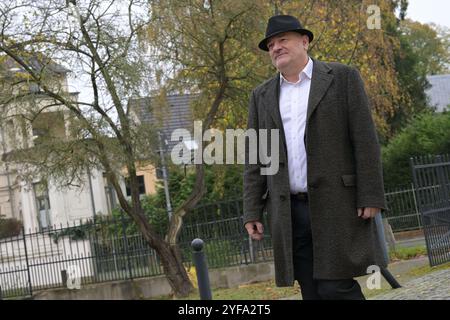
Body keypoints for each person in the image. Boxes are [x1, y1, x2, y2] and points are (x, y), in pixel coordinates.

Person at [243, 15, 387, 300]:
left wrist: (370, 195)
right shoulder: (261, 96)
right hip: (289, 210)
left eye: (283, 40)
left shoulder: (342, 77)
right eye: (271, 44)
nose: (276, 48)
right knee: (311, 290)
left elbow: (365, 140)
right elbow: (256, 158)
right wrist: (252, 211)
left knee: (336, 287)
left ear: (304, 41)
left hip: (337, 204)